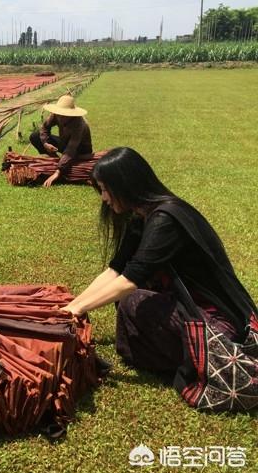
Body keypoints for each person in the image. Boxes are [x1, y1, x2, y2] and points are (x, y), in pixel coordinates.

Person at [60, 147, 257, 406]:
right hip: (191, 308)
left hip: (219, 325)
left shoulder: (165, 219)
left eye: (106, 189)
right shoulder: (141, 217)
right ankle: (174, 356)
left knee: (132, 300)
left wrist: (76, 309)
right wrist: (72, 307)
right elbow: (114, 271)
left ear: (125, 183)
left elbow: (129, 281)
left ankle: (193, 360)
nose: (104, 198)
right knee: (128, 299)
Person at [29, 94, 93, 187]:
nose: (61, 117)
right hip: (65, 143)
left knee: (69, 155)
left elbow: (71, 149)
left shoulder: (79, 124)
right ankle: (56, 159)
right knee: (35, 136)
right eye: (59, 114)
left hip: (80, 150)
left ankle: (60, 164)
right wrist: (46, 143)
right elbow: (45, 128)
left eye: (64, 115)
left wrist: (58, 172)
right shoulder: (56, 115)